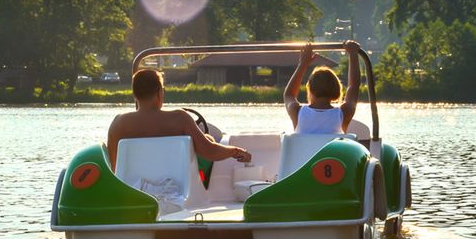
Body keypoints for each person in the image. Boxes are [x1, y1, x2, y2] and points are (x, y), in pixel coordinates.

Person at [107, 68, 251, 171]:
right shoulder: (179, 119)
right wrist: (236, 151)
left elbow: (113, 166)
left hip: (132, 189)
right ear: (159, 93)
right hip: (174, 189)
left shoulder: (118, 124)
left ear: (135, 95)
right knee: (208, 139)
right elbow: (210, 151)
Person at [283, 40, 361, 134]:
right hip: (331, 150)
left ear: (310, 88)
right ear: (336, 89)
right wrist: (353, 54)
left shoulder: (297, 112)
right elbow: (354, 86)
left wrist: (303, 64)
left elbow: (289, 95)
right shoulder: (344, 113)